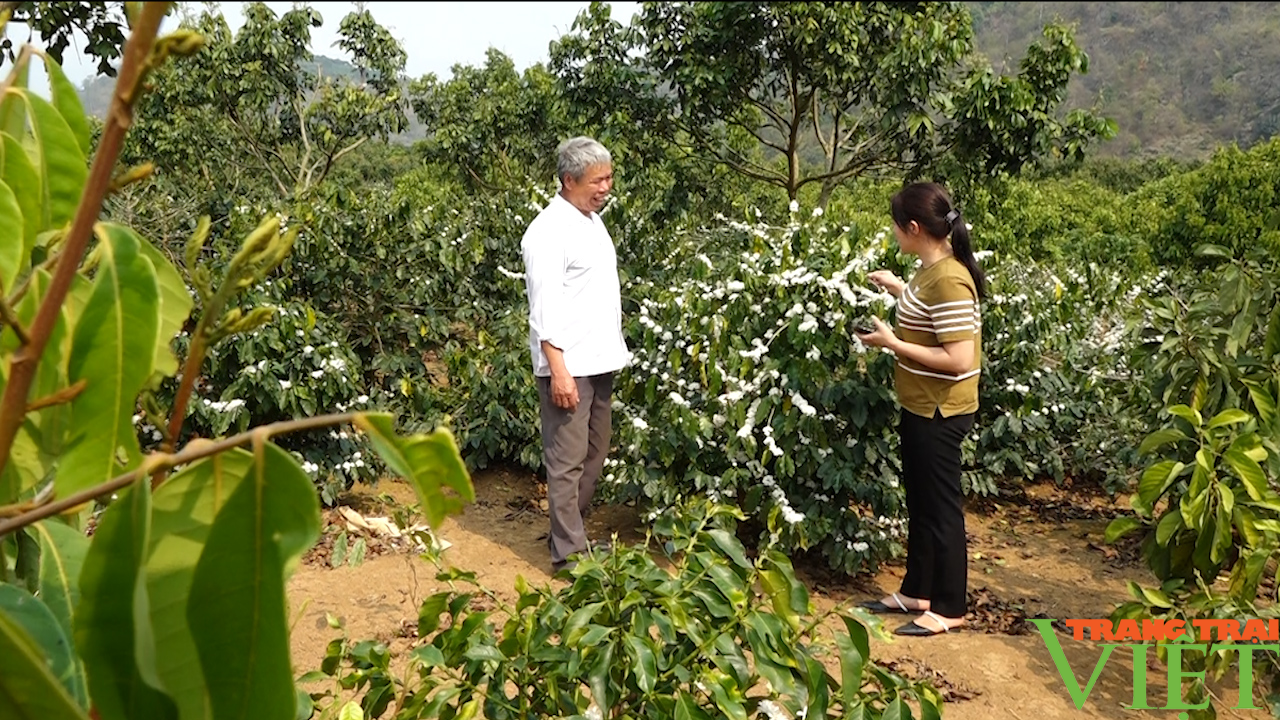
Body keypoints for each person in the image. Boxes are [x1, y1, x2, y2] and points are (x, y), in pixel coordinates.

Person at [854, 181, 986, 637]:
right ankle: (918, 591)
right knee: (921, 503)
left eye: (896, 226)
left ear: (913, 228)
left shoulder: (948, 278)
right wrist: (897, 290)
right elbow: (928, 317)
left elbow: (959, 359)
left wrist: (891, 343)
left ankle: (949, 606)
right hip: (922, 404)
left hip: (941, 410)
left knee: (941, 508)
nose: (893, 233)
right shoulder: (930, 270)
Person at [520, 136, 631, 575]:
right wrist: (559, 371)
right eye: (597, 180)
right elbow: (543, 311)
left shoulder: (590, 220)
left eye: (608, 177)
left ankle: (569, 533)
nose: (606, 187)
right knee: (565, 463)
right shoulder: (547, 233)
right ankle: (568, 556)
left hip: (599, 358)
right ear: (568, 180)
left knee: (595, 451)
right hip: (569, 366)